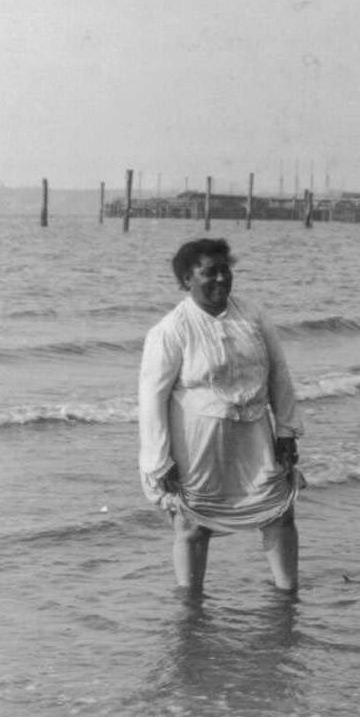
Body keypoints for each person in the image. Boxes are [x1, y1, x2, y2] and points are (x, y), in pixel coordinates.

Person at [138, 238, 304, 597]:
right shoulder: (170, 330)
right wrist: (158, 460)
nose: (220, 280)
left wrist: (286, 430)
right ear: (186, 280)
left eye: (225, 270)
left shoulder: (254, 315)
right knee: (192, 524)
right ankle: (190, 606)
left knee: (278, 513)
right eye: (209, 273)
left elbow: (279, 373)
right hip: (197, 441)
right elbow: (152, 399)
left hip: (256, 434)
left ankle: (288, 595)